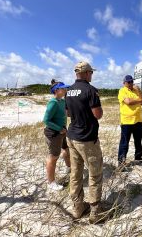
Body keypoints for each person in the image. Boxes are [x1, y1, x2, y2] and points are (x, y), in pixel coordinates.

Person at [65, 61, 106, 224]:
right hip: (87, 139)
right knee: (95, 174)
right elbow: (98, 114)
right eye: (91, 73)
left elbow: (68, 113)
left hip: (71, 136)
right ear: (87, 73)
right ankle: (95, 212)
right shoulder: (91, 90)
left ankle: (78, 207)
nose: (92, 75)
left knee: (75, 173)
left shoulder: (68, 91)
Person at [43, 79, 71, 192]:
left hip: (63, 131)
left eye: (66, 88)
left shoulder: (62, 101)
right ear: (57, 90)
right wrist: (59, 129)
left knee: (66, 150)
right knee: (53, 157)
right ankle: (51, 182)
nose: (66, 90)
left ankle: (69, 168)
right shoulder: (53, 102)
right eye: (63, 88)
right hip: (53, 133)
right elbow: (46, 120)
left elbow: (65, 114)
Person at [117, 75, 142, 169]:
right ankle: (121, 163)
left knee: (138, 141)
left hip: (138, 120)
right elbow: (128, 102)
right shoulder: (122, 91)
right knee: (124, 143)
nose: (130, 84)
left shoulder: (136, 91)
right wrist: (140, 100)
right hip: (126, 121)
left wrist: (139, 91)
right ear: (124, 83)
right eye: (128, 82)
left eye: (131, 82)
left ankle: (138, 158)